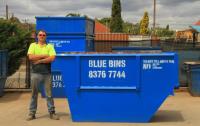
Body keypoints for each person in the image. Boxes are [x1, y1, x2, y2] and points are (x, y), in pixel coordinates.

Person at [26, 30, 59, 121]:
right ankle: (32, 113)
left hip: (47, 74)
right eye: (40, 35)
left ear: (46, 36)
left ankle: (52, 112)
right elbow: (31, 57)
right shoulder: (33, 45)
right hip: (35, 73)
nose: (42, 36)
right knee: (34, 94)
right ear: (37, 36)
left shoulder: (50, 46)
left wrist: (40, 60)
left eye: (43, 35)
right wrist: (45, 55)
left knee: (49, 95)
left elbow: (52, 58)